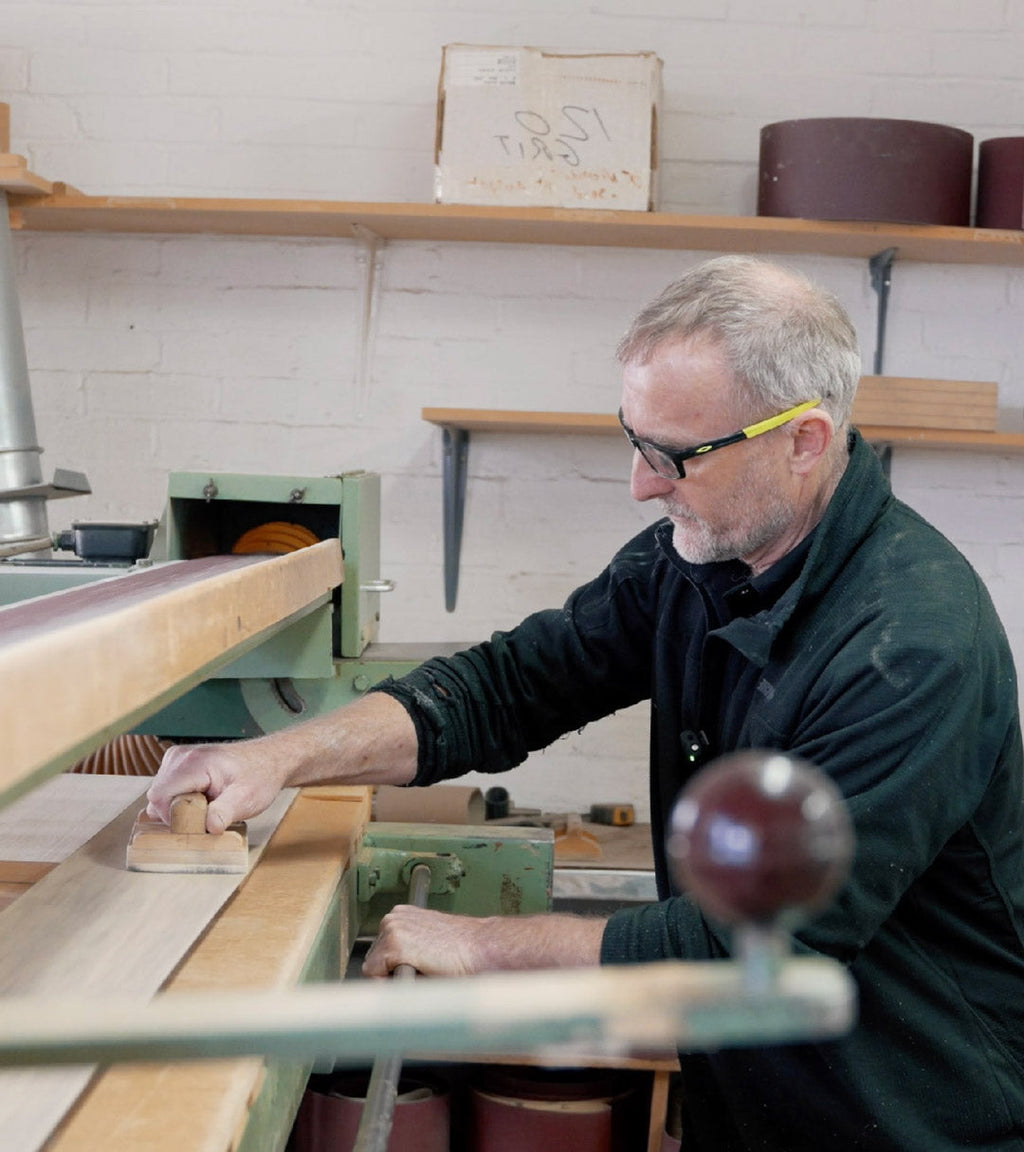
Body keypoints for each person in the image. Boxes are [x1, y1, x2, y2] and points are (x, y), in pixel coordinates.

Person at [147, 255, 1024, 1151]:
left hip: (913, 1120)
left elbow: (753, 945)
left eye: (674, 455)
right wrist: (276, 757)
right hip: (753, 1099)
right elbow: (510, 685)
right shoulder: (702, 554)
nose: (641, 483)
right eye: (633, 438)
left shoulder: (911, 647)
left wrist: (484, 946)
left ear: (803, 441)